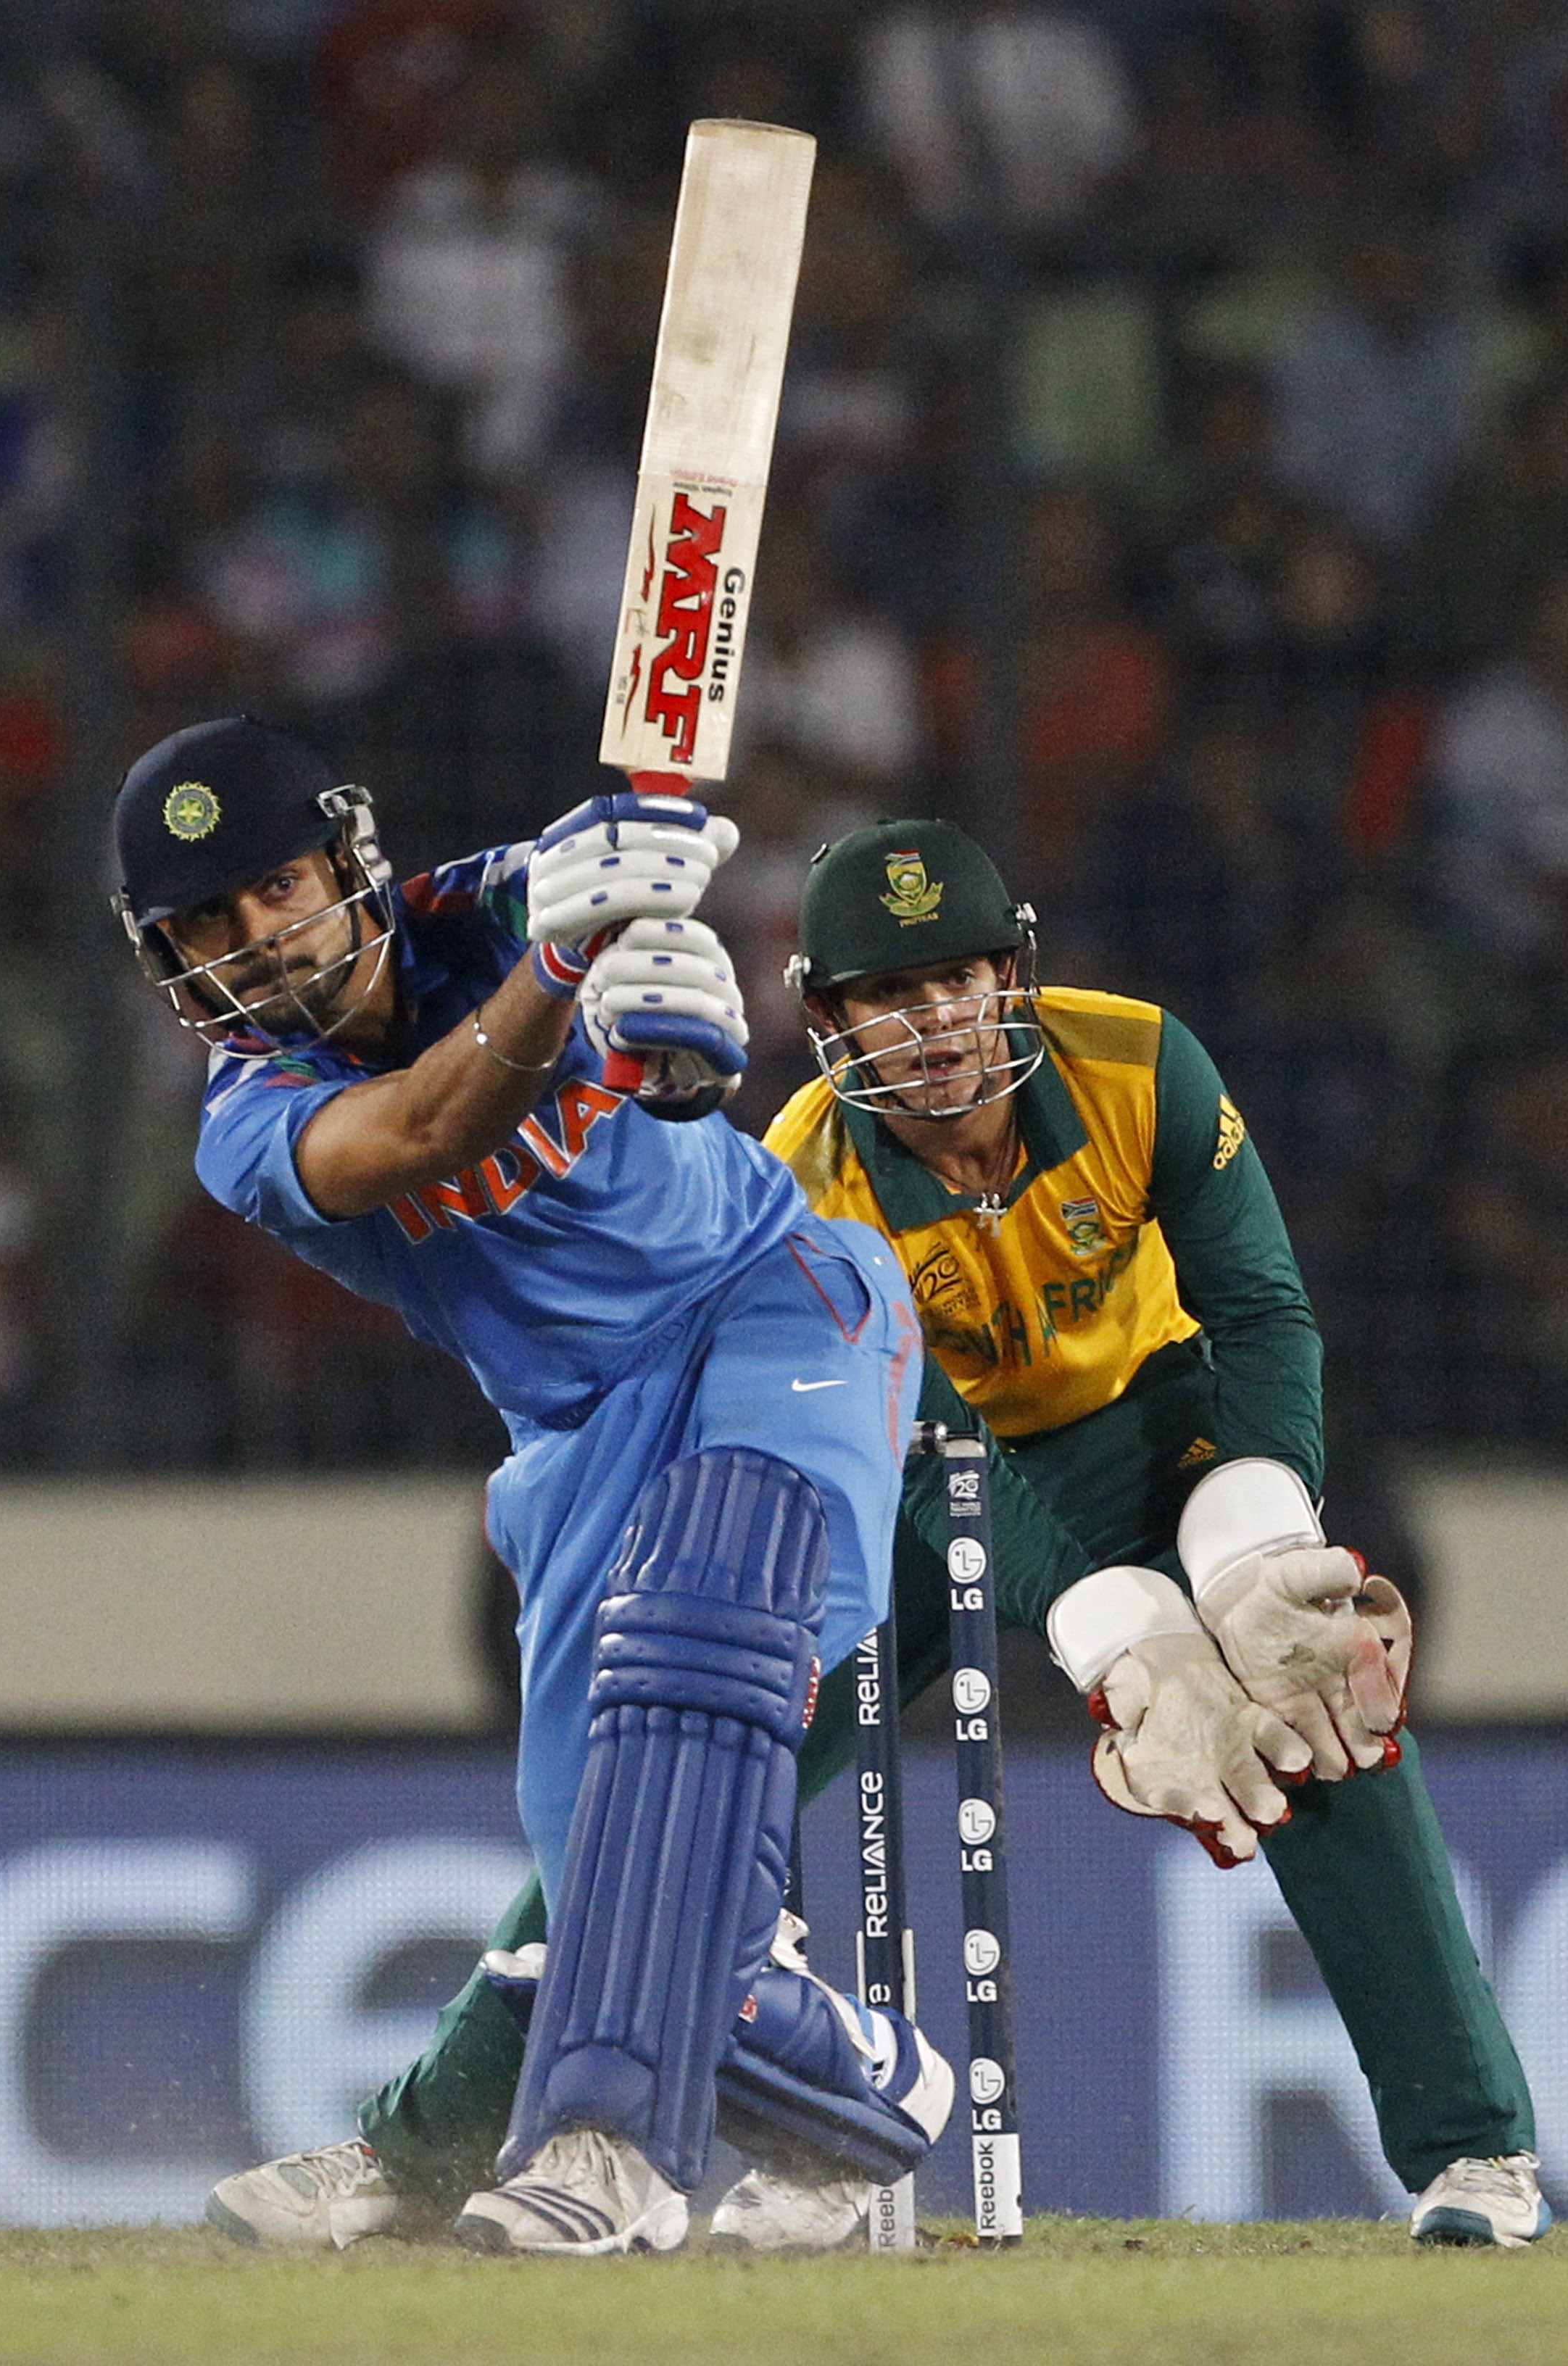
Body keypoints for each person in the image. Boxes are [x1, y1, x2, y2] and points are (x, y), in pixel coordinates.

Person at [265, 818, 1550, 2251]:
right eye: (890, 994)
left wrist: (1255, 1540)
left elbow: (1259, 1315)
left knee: (1322, 1702)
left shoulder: (1138, 1063)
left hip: (1146, 1428)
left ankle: (1479, 2158)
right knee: (675, 1769)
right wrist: (1116, 1634)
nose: (935, 1023)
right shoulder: (803, 1168)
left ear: (1016, 972)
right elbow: (944, 1465)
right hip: (903, 1474)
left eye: (962, 978)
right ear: (823, 1018)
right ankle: (412, 2152)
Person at [123, 718, 951, 2257]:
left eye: (278, 889)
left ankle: (610, 2147)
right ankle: (872, 2104)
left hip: (772, 1299)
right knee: (620, 1908)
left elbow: (620, 875)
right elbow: (431, 1126)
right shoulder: (247, 1128)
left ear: (348, 861)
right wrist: (572, 983)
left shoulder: (493, 907)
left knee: (704, 1630)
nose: (260, 942)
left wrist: (667, 964)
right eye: (209, 928)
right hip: (576, 1442)